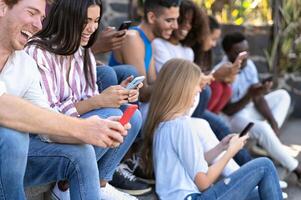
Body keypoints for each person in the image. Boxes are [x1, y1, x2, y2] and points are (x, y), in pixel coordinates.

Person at [0, 0, 130, 199]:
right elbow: (3, 106)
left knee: (82, 151)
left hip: (17, 159)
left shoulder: (24, 64)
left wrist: (98, 129)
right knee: (12, 137)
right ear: (2, 7)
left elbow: (45, 120)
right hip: (10, 149)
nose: (38, 25)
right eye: (31, 13)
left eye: (41, 18)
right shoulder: (37, 52)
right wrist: (82, 128)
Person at [141, 58, 283, 200]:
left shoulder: (163, 123)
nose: (199, 90)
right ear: (183, 89)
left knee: (260, 194)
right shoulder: (182, 125)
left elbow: (193, 163)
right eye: (196, 86)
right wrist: (231, 152)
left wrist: (222, 147)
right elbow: (204, 183)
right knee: (265, 165)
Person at [152, 1, 252, 166]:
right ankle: (251, 174)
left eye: (190, 22)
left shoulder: (188, 51)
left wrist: (220, 75)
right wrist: (213, 76)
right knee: (218, 128)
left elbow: (193, 82)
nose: (184, 26)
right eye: (180, 20)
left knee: (221, 132)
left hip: (191, 111)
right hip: (177, 112)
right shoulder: (159, 45)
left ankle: (250, 173)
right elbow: (174, 83)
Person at [219, 32, 301, 180]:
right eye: (239, 52)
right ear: (228, 52)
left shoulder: (248, 65)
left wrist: (273, 121)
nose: (245, 56)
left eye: (247, 51)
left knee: (283, 95)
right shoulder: (222, 71)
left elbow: (257, 98)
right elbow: (228, 110)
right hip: (233, 119)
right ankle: (295, 168)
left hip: (249, 109)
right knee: (263, 128)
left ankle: (268, 142)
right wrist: (250, 94)